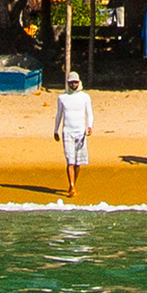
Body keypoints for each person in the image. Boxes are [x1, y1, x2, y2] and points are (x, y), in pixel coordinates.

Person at [53, 68, 94, 199]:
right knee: (70, 161)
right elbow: (59, 115)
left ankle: (73, 183)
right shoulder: (62, 98)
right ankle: (72, 187)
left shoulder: (85, 97)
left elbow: (90, 113)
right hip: (67, 132)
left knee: (78, 163)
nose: (73, 85)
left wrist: (90, 126)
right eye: (71, 82)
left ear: (79, 82)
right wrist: (55, 130)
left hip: (80, 133)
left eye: (75, 82)